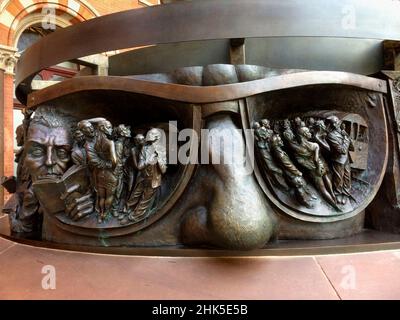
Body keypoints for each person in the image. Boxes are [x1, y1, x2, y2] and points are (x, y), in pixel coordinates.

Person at [287, 126, 337, 208]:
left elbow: (300, 161)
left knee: (323, 190)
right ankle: (332, 195)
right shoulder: (314, 145)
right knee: (326, 179)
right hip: (319, 166)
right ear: (304, 134)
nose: (310, 133)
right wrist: (318, 167)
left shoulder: (298, 148)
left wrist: (313, 167)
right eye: (308, 132)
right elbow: (316, 159)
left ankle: (335, 206)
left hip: (313, 169)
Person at [326, 116, 354, 205]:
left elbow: (351, 147)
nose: (339, 123)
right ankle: (338, 193)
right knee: (338, 178)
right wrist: (346, 139)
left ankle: (345, 194)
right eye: (337, 122)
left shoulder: (342, 132)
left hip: (346, 159)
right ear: (334, 124)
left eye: (338, 121)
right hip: (338, 159)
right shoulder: (331, 135)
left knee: (347, 177)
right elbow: (342, 150)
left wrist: (346, 135)